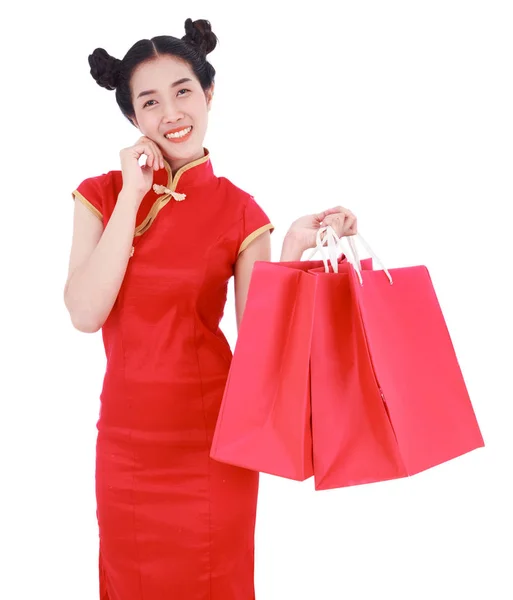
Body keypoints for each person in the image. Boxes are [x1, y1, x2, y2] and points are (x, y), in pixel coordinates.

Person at [64, 17, 357, 600]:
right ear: (132, 119)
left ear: (209, 94)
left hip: (212, 447)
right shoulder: (99, 195)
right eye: (149, 102)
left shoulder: (242, 212)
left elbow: (258, 352)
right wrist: (132, 193)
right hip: (127, 449)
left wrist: (294, 247)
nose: (170, 112)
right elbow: (85, 311)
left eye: (183, 91)